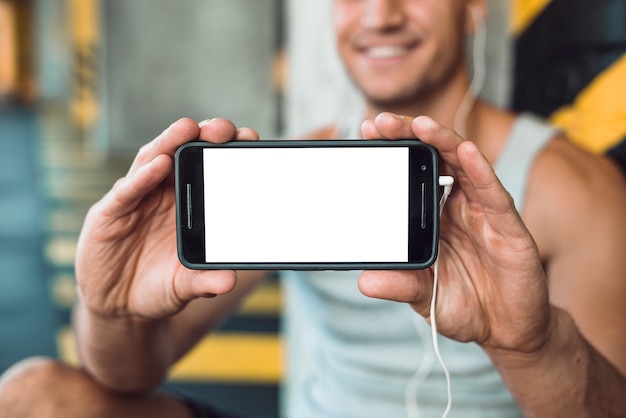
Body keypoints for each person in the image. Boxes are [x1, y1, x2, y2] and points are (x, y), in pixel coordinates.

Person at [1, 0, 626, 416]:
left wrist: (532, 348)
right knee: (30, 394)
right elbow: (130, 373)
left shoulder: (572, 188)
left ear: (475, 8)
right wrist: (113, 313)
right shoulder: (303, 167)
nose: (379, 16)